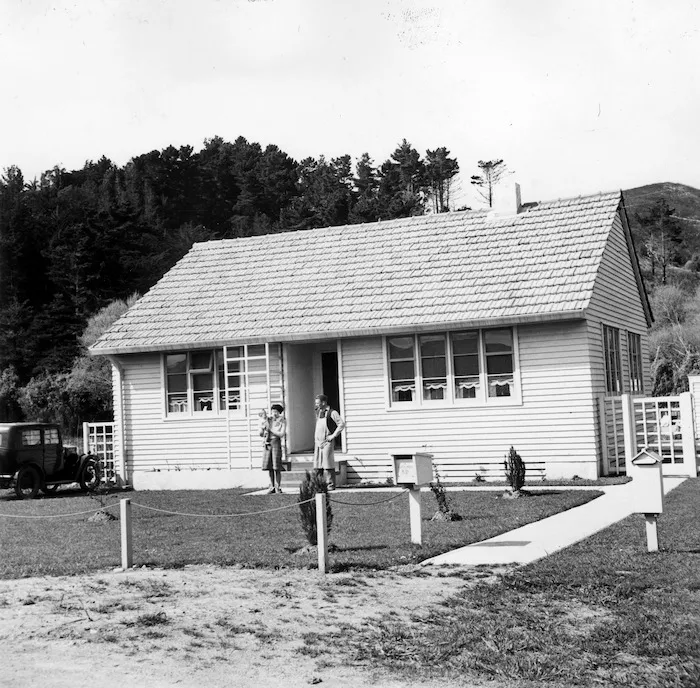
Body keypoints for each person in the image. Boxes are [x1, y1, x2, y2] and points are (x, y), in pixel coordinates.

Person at [313, 394, 345, 490]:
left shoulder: (332, 412)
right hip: (318, 442)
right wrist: (317, 440)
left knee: (328, 463)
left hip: (327, 441)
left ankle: (330, 484)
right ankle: (318, 484)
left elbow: (341, 424)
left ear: (323, 403)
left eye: (318, 403)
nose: (316, 405)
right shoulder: (318, 412)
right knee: (318, 464)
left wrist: (333, 435)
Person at [260, 404, 286, 494]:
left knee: (276, 466)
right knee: (269, 466)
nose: (274, 413)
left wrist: (271, 430)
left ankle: (278, 486)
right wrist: (263, 428)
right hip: (268, 443)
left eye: (276, 412)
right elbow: (261, 432)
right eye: (273, 411)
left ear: (279, 412)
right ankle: (272, 486)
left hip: (276, 442)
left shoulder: (282, 420)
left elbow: (281, 434)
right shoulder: (269, 420)